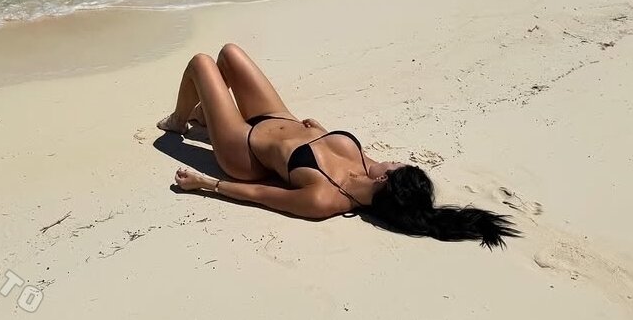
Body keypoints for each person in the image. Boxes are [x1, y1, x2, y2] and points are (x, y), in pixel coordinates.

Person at [158, 43, 520, 249]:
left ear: (384, 181)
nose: (391, 160)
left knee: (201, 63)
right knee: (229, 54)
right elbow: (333, 149)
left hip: (246, 149)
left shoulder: (325, 199)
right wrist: (321, 132)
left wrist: (206, 184)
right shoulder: (368, 168)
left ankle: (179, 120)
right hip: (278, 116)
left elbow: (260, 195)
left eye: (396, 165)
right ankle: (208, 115)